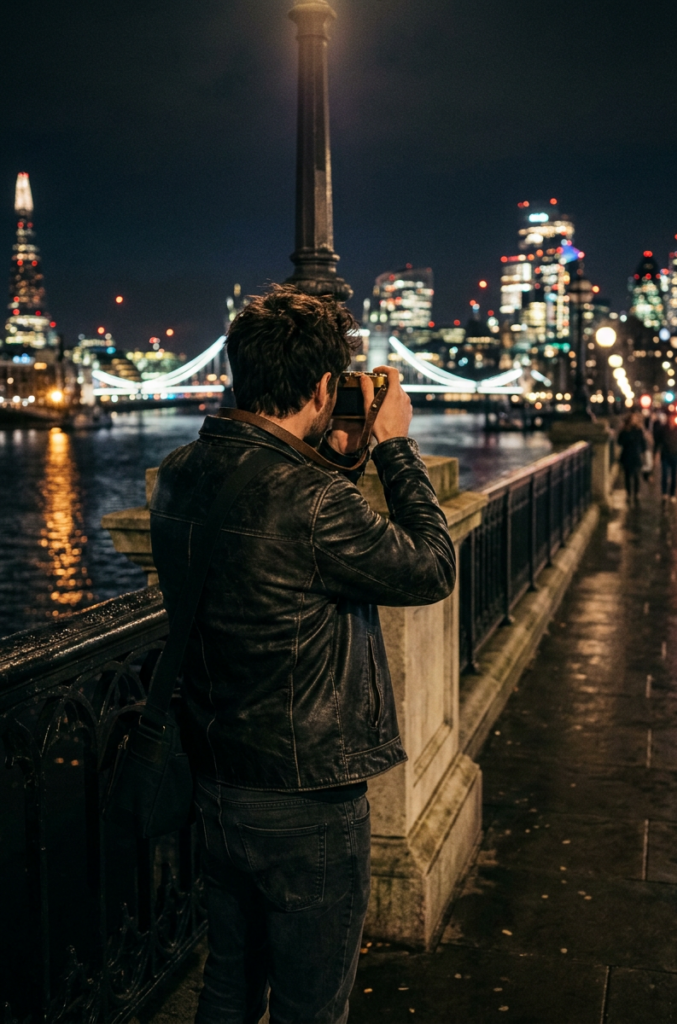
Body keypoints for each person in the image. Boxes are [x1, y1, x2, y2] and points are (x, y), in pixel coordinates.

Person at [149, 284, 455, 1024]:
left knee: (228, 984)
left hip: (215, 778)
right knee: (309, 1006)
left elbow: (279, 534)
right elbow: (431, 566)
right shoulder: (314, 503)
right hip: (306, 802)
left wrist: (339, 458)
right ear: (325, 386)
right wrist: (395, 448)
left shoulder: (179, 472)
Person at [654, 411, 677, 504]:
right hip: (665, 455)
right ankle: (664, 493)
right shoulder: (663, 428)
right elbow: (658, 442)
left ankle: (672, 494)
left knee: (674, 476)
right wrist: (655, 453)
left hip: (675, 455)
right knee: (664, 475)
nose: (671, 419)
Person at [617, 411, 647, 505]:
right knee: (628, 476)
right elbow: (620, 441)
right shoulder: (625, 430)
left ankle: (636, 493)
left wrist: (643, 453)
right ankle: (629, 493)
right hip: (627, 455)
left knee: (636, 476)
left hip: (635, 455)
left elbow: (643, 443)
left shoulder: (638, 430)